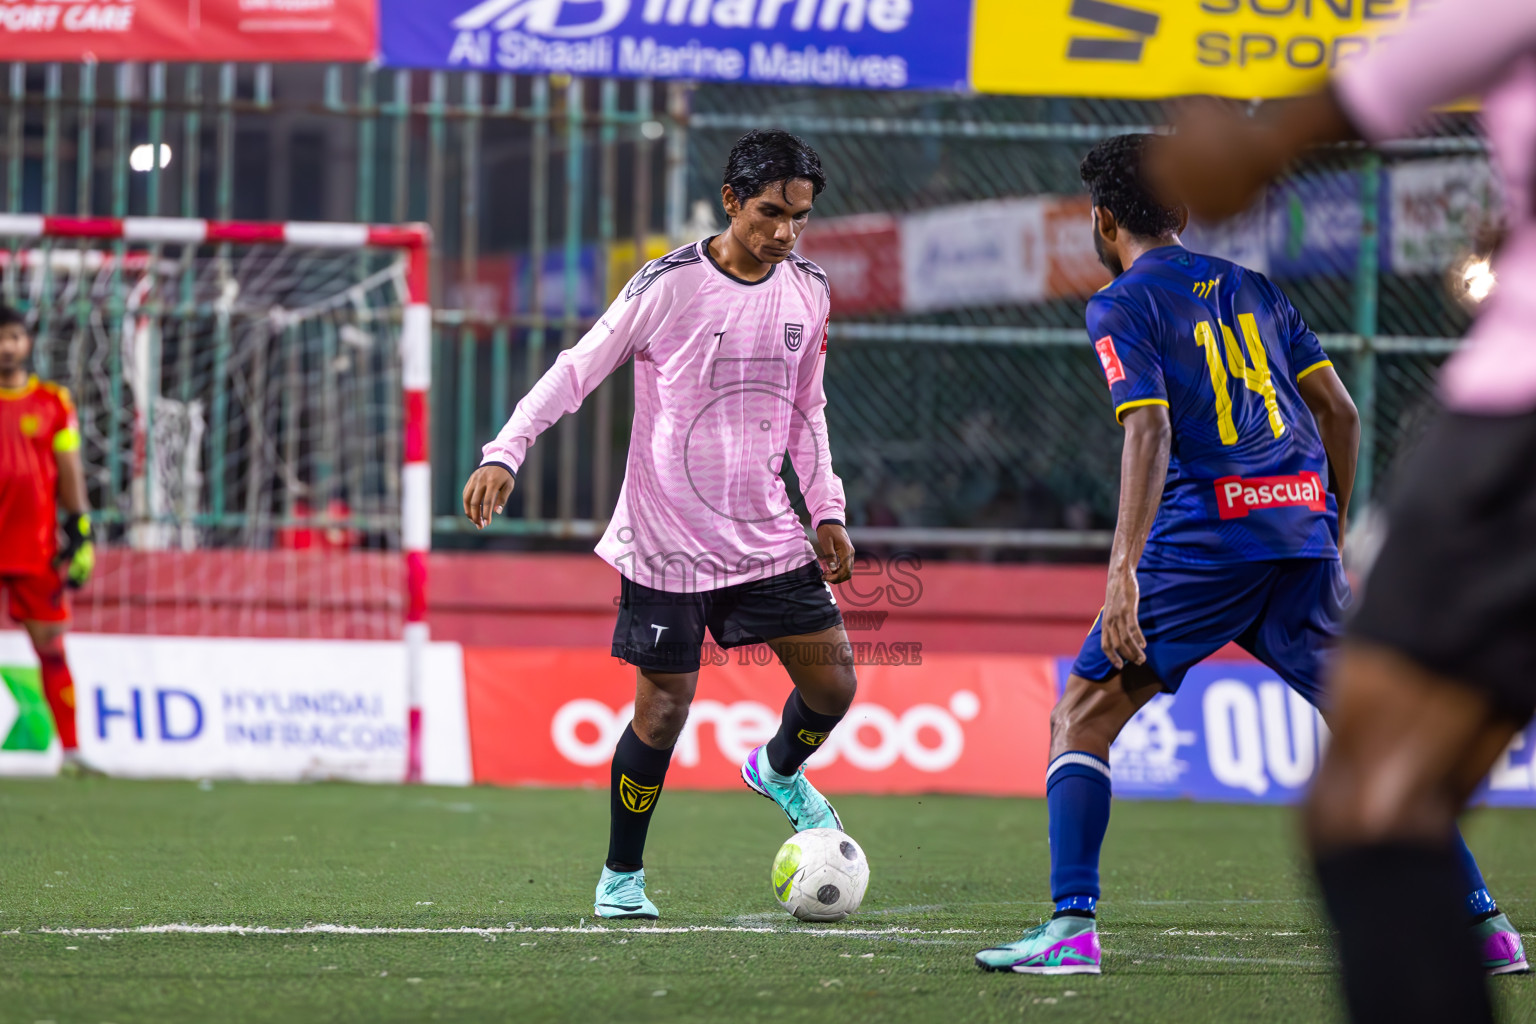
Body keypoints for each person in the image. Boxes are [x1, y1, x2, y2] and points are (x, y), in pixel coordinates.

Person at [974, 133, 1524, 977]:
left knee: (1083, 713)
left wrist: (1121, 572)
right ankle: (1484, 929)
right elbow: (1339, 413)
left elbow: (1150, 427)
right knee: (1376, 735)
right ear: (1184, 213)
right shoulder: (1257, 290)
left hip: (1206, 543)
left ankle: (1072, 930)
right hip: (1300, 527)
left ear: (1103, 218)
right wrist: (1327, 529)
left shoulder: (1121, 302)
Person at [1151, 2, 1536, 1018]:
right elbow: (1338, 406)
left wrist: (1227, 142)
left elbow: (1267, 145)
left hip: (1517, 428)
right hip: (1311, 527)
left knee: (1374, 804)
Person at [462, 129, 857, 921]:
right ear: (732, 202)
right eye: (771, 213)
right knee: (664, 709)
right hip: (666, 540)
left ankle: (778, 770)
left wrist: (827, 507)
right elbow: (577, 367)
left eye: (800, 218)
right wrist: (507, 449)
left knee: (834, 682)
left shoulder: (809, 289)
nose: (784, 233)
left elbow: (807, 412)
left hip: (767, 534)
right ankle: (621, 878)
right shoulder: (668, 284)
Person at [0, 305, 95, 771]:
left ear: (28, 342)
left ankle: (73, 751)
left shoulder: (54, 402)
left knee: (52, 645)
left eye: (14, 337)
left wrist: (80, 527)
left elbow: (70, 468)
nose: (6, 346)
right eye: (0, 337)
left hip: (34, 547)